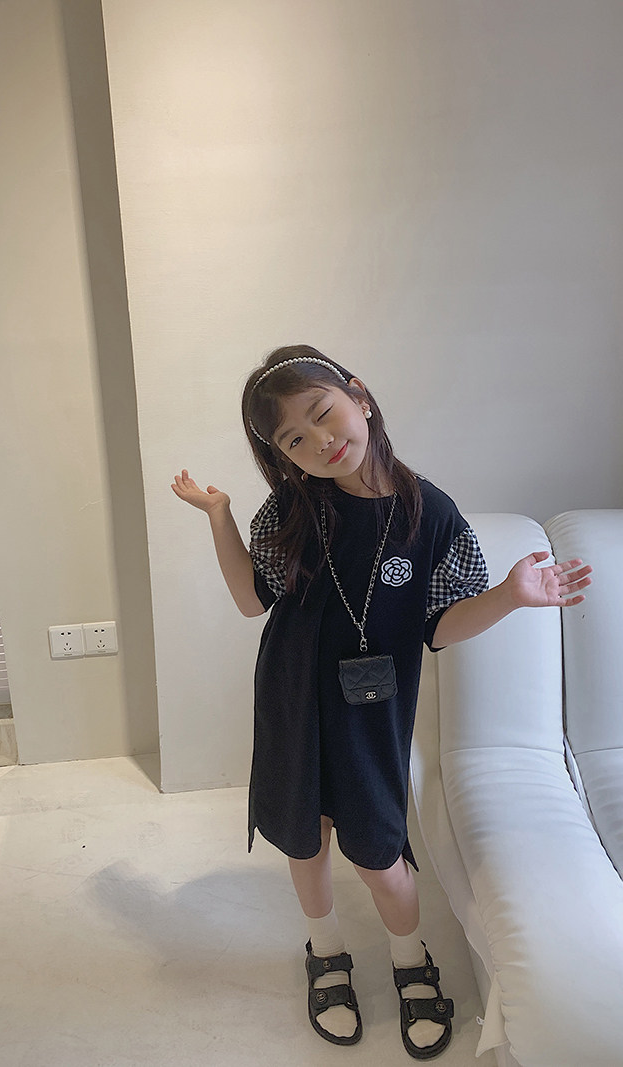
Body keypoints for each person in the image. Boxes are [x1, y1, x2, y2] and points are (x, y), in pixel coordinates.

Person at [171, 344, 591, 1059]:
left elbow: (441, 626)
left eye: (322, 413)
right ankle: (326, 951)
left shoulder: (431, 512)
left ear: (360, 397)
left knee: (379, 849)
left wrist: (511, 596)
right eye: (293, 440)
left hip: (371, 711)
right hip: (290, 695)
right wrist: (218, 513)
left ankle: (409, 958)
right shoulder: (295, 505)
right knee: (306, 835)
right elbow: (250, 599)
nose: (319, 441)